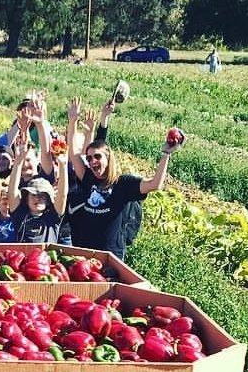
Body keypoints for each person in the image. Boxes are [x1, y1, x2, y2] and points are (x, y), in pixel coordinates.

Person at [65, 96, 183, 260]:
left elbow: (155, 184)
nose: (92, 162)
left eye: (97, 157)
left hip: (109, 258)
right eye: (90, 158)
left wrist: (165, 154)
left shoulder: (123, 184)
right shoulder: (88, 178)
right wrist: (72, 121)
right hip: (84, 253)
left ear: (108, 158)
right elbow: (74, 154)